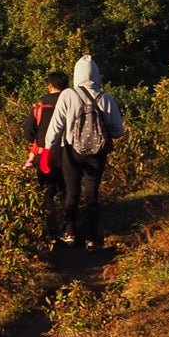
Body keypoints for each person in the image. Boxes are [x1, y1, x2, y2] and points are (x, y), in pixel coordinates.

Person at [47, 54, 125, 249]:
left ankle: (70, 232)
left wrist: (49, 148)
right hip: (97, 154)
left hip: (72, 151)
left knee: (72, 192)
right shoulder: (105, 97)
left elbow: (56, 126)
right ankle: (92, 237)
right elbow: (118, 130)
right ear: (96, 75)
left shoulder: (68, 95)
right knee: (92, 193)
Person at [24, 73, 67, 239]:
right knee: (67, 191)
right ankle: (68, 228)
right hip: (68, 153)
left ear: (49, 86)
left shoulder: (39, 107)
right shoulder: (71, 104)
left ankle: (51, 231)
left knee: (47, 193)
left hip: (45, 155)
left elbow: (28, 135)